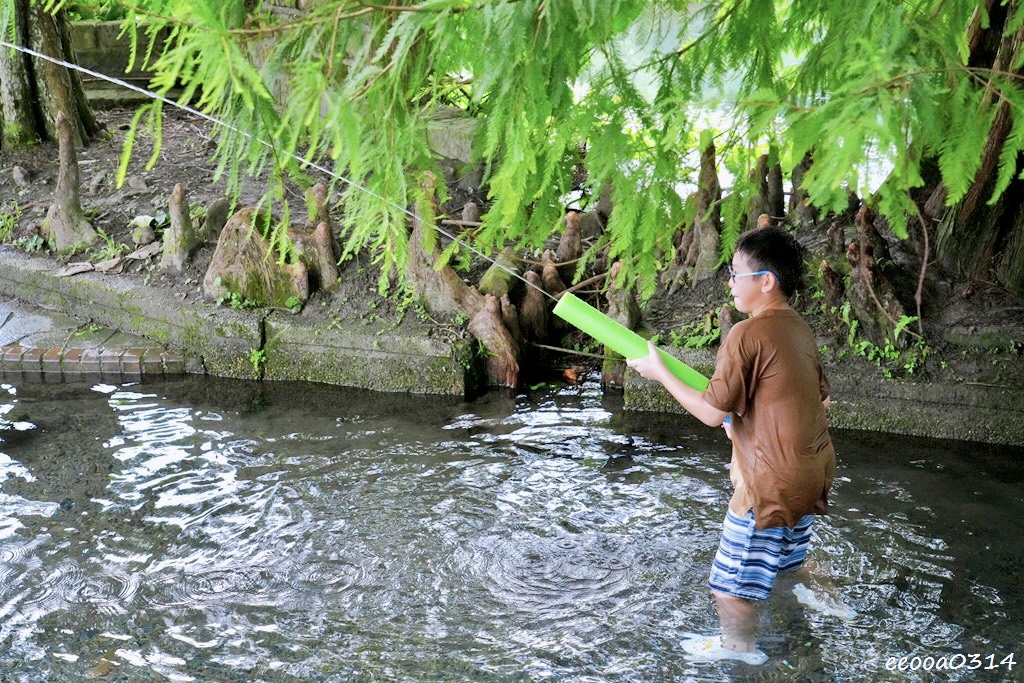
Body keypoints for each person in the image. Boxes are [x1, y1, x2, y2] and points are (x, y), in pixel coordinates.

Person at [626, 226, 837, 665]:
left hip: (769, 484)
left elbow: (708, 412)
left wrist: (659, 371)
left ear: (765, 281)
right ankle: (832, 605)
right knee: (789, 565)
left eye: (736, 273)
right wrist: (744, 423)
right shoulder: (798, 329)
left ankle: (739, 651)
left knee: (729, 587)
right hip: (812, 472)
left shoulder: (746, 334)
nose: (730, 282)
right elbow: (814, 399)